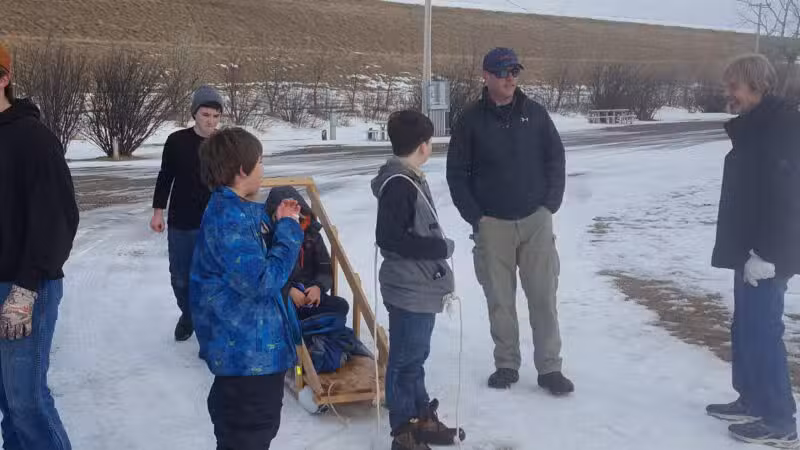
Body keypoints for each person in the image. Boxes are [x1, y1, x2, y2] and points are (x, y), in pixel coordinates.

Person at [446, 47, 573, 395]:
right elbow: (456, 174)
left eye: (515, 71)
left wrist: (550, 205)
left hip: (535, 220)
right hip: (493, 225)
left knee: (544, 296)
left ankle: (549, 368)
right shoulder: (470, 120)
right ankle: (506, 363)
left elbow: (555, 159)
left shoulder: (535, 114)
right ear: (486, 76)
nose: (510, 78)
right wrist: (476, 217)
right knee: (500, 300)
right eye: (503, 72)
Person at [706, 54, 800, 448]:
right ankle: (751, 398)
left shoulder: (782, 127)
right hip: (750, 250)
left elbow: (788, 198)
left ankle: (779, 419)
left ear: (758, 87)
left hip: (767, 253)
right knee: (744, 328)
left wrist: (768, 254)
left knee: (763, 332)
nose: (730, 94)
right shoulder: (757, 125)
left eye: (735, 87)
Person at [189, 128, 303, 450]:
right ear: (242, 169)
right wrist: (289, 231)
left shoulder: (239, 212)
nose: (263, 169)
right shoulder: (228, 219)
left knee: (258, 432)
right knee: (247, 437)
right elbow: (263, 280)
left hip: (255, 357)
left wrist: (277, 219)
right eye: (261, 161)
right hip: (246, 360)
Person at [372, 110, 465, 450]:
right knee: (405, 361)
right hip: (408, 287)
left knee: (414, 358)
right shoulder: (400, 184)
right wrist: (439, 246)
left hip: (419, 287)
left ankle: (420, 416)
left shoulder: (408, 177)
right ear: (424, 146)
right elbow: (390, 238)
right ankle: (404, 432)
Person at [0, 43, 78, 449]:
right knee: (6, 402)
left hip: (23, 288)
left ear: (4, 78)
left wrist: (25, 289)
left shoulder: (34, 139)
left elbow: (59, 220)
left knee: (26, 400)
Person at [151, 85, 223, 341]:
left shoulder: (224, 145)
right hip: (182, 221)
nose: (211, 121)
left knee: (212, 278)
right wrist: (158, 211)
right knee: (180, 277)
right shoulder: (176, 141)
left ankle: (208, 325)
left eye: (216, 116)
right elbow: (165, 177)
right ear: (195, 113)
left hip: (215, 224)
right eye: (206, 115)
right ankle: (188, 314)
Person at [264, 187, 349, 321]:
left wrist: (318, 288)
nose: (294, 220)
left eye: (297, 214)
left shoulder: (312, 236)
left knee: (341, 305)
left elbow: (324, 268)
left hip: (308, 294)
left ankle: (308, 325)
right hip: (281, 298)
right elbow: (265, 277)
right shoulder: (268, 239)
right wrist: (288, 291)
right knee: (278, 314)